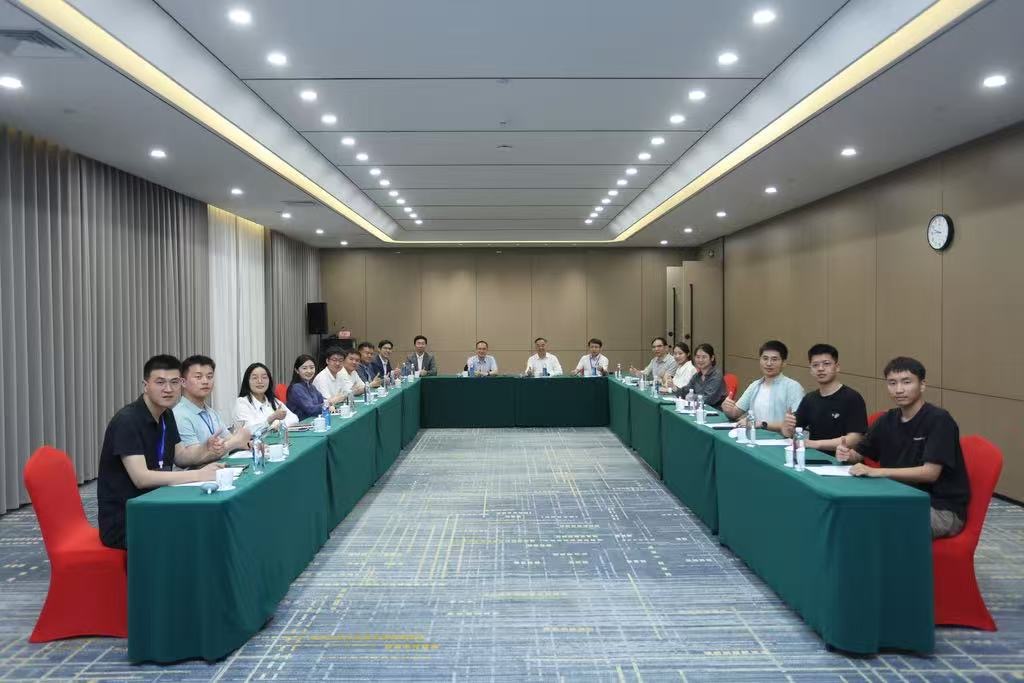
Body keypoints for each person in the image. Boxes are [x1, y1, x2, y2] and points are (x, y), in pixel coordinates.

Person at [97, 355, 225, 549]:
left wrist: (204, 449)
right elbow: (141, 478)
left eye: (174, 382)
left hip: (158, 503)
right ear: (145, 385)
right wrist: (199, 475)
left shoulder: (166, 414)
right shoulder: (127, 421)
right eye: (160, 382)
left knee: (211, 523)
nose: (168, 389)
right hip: (127, 519)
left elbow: (181, 457)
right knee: (195, 533)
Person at [838, 357, 970, 538]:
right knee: (848, 513)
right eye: (892, 383)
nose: (898, 389)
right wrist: (846, 454)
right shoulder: (887, 420)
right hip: (898, 498)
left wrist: (877, 472)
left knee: (875, 523)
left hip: (939, 509)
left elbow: (930, 473)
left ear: (922, 385)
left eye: (906, 382)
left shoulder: (939, 420)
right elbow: (859, 455)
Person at [781, 344, 868, 452]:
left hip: (841, 459)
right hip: (813, 456)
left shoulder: (852, 398)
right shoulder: (810, 399)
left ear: (837, 367)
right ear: (810, 370)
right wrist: (786, 427)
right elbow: (792, 432)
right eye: (815, 365)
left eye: (826, 364)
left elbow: (855, 438)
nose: (820, 369)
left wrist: (816, 444)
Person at [172, 354, 250, 467]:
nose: (205, 381)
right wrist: (237, 441)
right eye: (198, 377)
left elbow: (229, 438)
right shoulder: (179, 415)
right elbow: (194, 458)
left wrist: (250, 444)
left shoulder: (211, 412)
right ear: (183, 382)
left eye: (209, 376)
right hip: (193, 475)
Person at [722, 340, 804, 432]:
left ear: (784, 363)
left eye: (774, 359)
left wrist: (762, 424)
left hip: (780, 438)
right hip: (754, 436)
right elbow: (735, 414)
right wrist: (727, 409)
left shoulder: (793, 387)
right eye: (765, 358)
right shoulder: (755, 385)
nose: (769, 363)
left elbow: (797, 424)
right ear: (760, 360)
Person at [234, 362, 299, 432]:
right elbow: (249, 430)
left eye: (264, 377)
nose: (260, 381)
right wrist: (271, 419)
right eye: (255, 378)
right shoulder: (242, 402)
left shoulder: (273, 400)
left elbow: (294, 418)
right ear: (247, 381)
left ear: (269, 381)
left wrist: (279, 424)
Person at [287, 354, 323, 420]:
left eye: (312, 367)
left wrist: (328, 404)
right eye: (304, 368)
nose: (309, 371)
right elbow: (310, 410)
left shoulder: (312, 386)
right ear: (297, 370)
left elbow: (321, 401)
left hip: (314, 421)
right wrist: (329, 403)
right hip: (301, 423)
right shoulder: (296, 388)